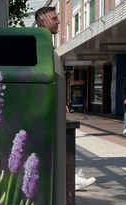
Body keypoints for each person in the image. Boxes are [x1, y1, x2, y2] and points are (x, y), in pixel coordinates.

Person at [36, 6, 95, 191]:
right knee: (56, 146)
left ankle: (69, 177)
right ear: (43, 21)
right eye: (54, 18)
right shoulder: (41, 44)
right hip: (46, 111)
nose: (58, 21)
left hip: (48, 108)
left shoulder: (44, 43)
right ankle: (68, 179)